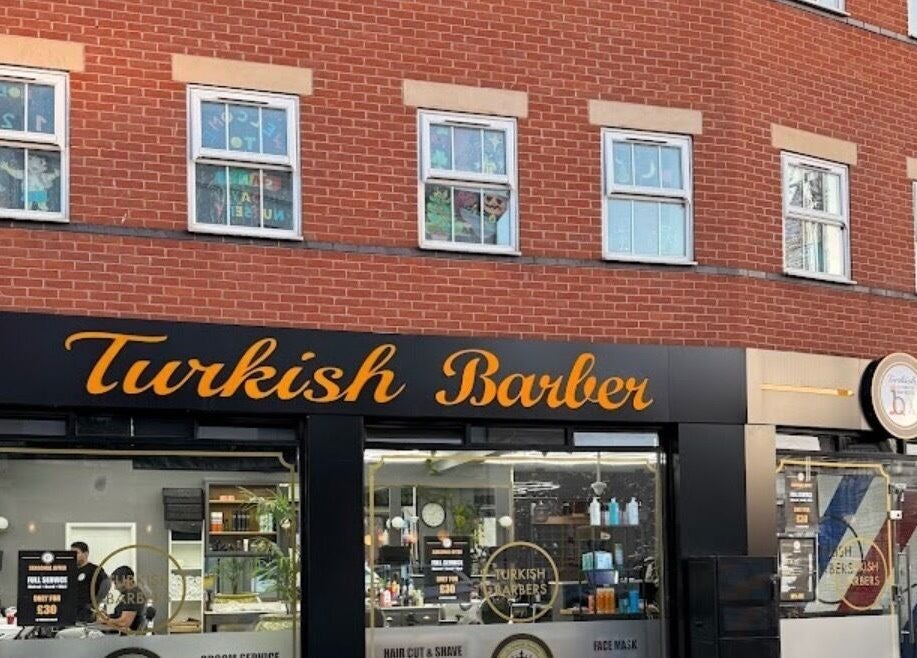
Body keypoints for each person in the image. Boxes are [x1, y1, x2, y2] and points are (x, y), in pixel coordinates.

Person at [96, 566, 147, 632]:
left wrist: (105, 620)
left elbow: (124, 623)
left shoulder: (132, 595)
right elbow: (122, 616)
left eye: (116, 583)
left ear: (125, 580)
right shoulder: (135, 593)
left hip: (126, 638)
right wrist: (108, 616)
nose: (115, 588)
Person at [70, 541, 109, 623]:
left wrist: (95, 603)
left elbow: (106, 584)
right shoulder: (70, 570)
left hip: (87, 613)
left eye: (76, 553)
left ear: (86, 554)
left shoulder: (94, 570)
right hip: (72, 612)